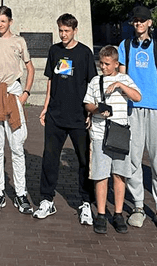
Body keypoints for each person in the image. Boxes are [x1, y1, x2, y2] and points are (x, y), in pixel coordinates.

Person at [33, 13, 97, 225]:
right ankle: (46, 200)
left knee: (84, 161)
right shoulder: (54, 50)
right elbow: (51, 81)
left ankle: (85, 203)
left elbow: (92, 84)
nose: (63, 34)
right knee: (49, 159)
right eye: (60, 30)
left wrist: (90, 112)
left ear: (75, 30)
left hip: (79, 117)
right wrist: (45, 107)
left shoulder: (85, 53)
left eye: (67, 31)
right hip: (55, 115)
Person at [117, 5, 157, 232]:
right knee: (133, 160)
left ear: (150, 22)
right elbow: (122, 77)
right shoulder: (125, 46)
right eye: (135, 20)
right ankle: (138, 206)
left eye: (142, 20)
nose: (138, 23)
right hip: (133, 109)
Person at [84, 46, 141, 235]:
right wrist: (97, 110)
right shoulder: (95, 81)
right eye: (101, 63)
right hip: (100, 133)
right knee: (101, 175)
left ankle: (118, 213)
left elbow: (137, 97)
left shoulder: (125, 79)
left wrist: (120, 85)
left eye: (107, 64)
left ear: (116, 64)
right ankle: (101, 214)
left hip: (119, 133)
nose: (103, 67)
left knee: (119, 174)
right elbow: (87, 103)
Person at [0, 5, 35, 214]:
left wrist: (26, 94)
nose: (0, 24)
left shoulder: (19, 41)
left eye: (3, 21)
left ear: (10, 22)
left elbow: (30, 68)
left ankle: (21, 194)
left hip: (14, 95)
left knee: (17, 148)